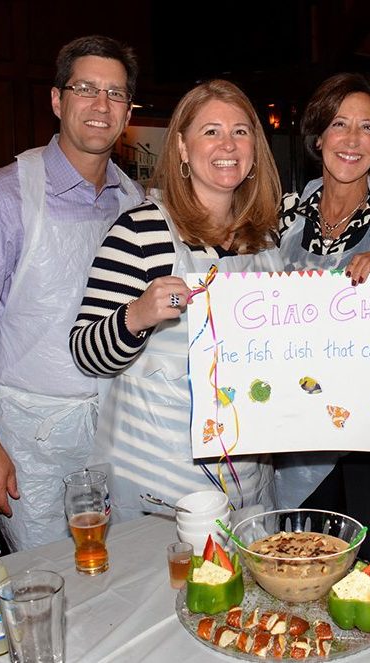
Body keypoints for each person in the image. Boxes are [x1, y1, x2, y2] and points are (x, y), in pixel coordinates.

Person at [0, 35, 143, 552]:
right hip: (31, 441)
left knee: (126, 575)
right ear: (57, 99)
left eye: (115, 95)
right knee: (49, 580)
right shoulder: (1, 199)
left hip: (120, 431)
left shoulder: (135, 202)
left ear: (128, 111)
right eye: (86, 89)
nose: (100, 105)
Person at [70, 79, 283, 524]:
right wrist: (138, 315)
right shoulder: (142, 230)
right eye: (211, 131)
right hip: (159, 478)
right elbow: (86, 352)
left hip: (247, 475)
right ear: (183, 149)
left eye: (241, 131)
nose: (228, 144)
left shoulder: (264, 241)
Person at [273, 72, 370, 594]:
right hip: (294, 428)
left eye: (367, 127)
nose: (353, 139)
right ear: (318, 136)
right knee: (298, 571)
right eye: (340, 124)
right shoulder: (281, 214)